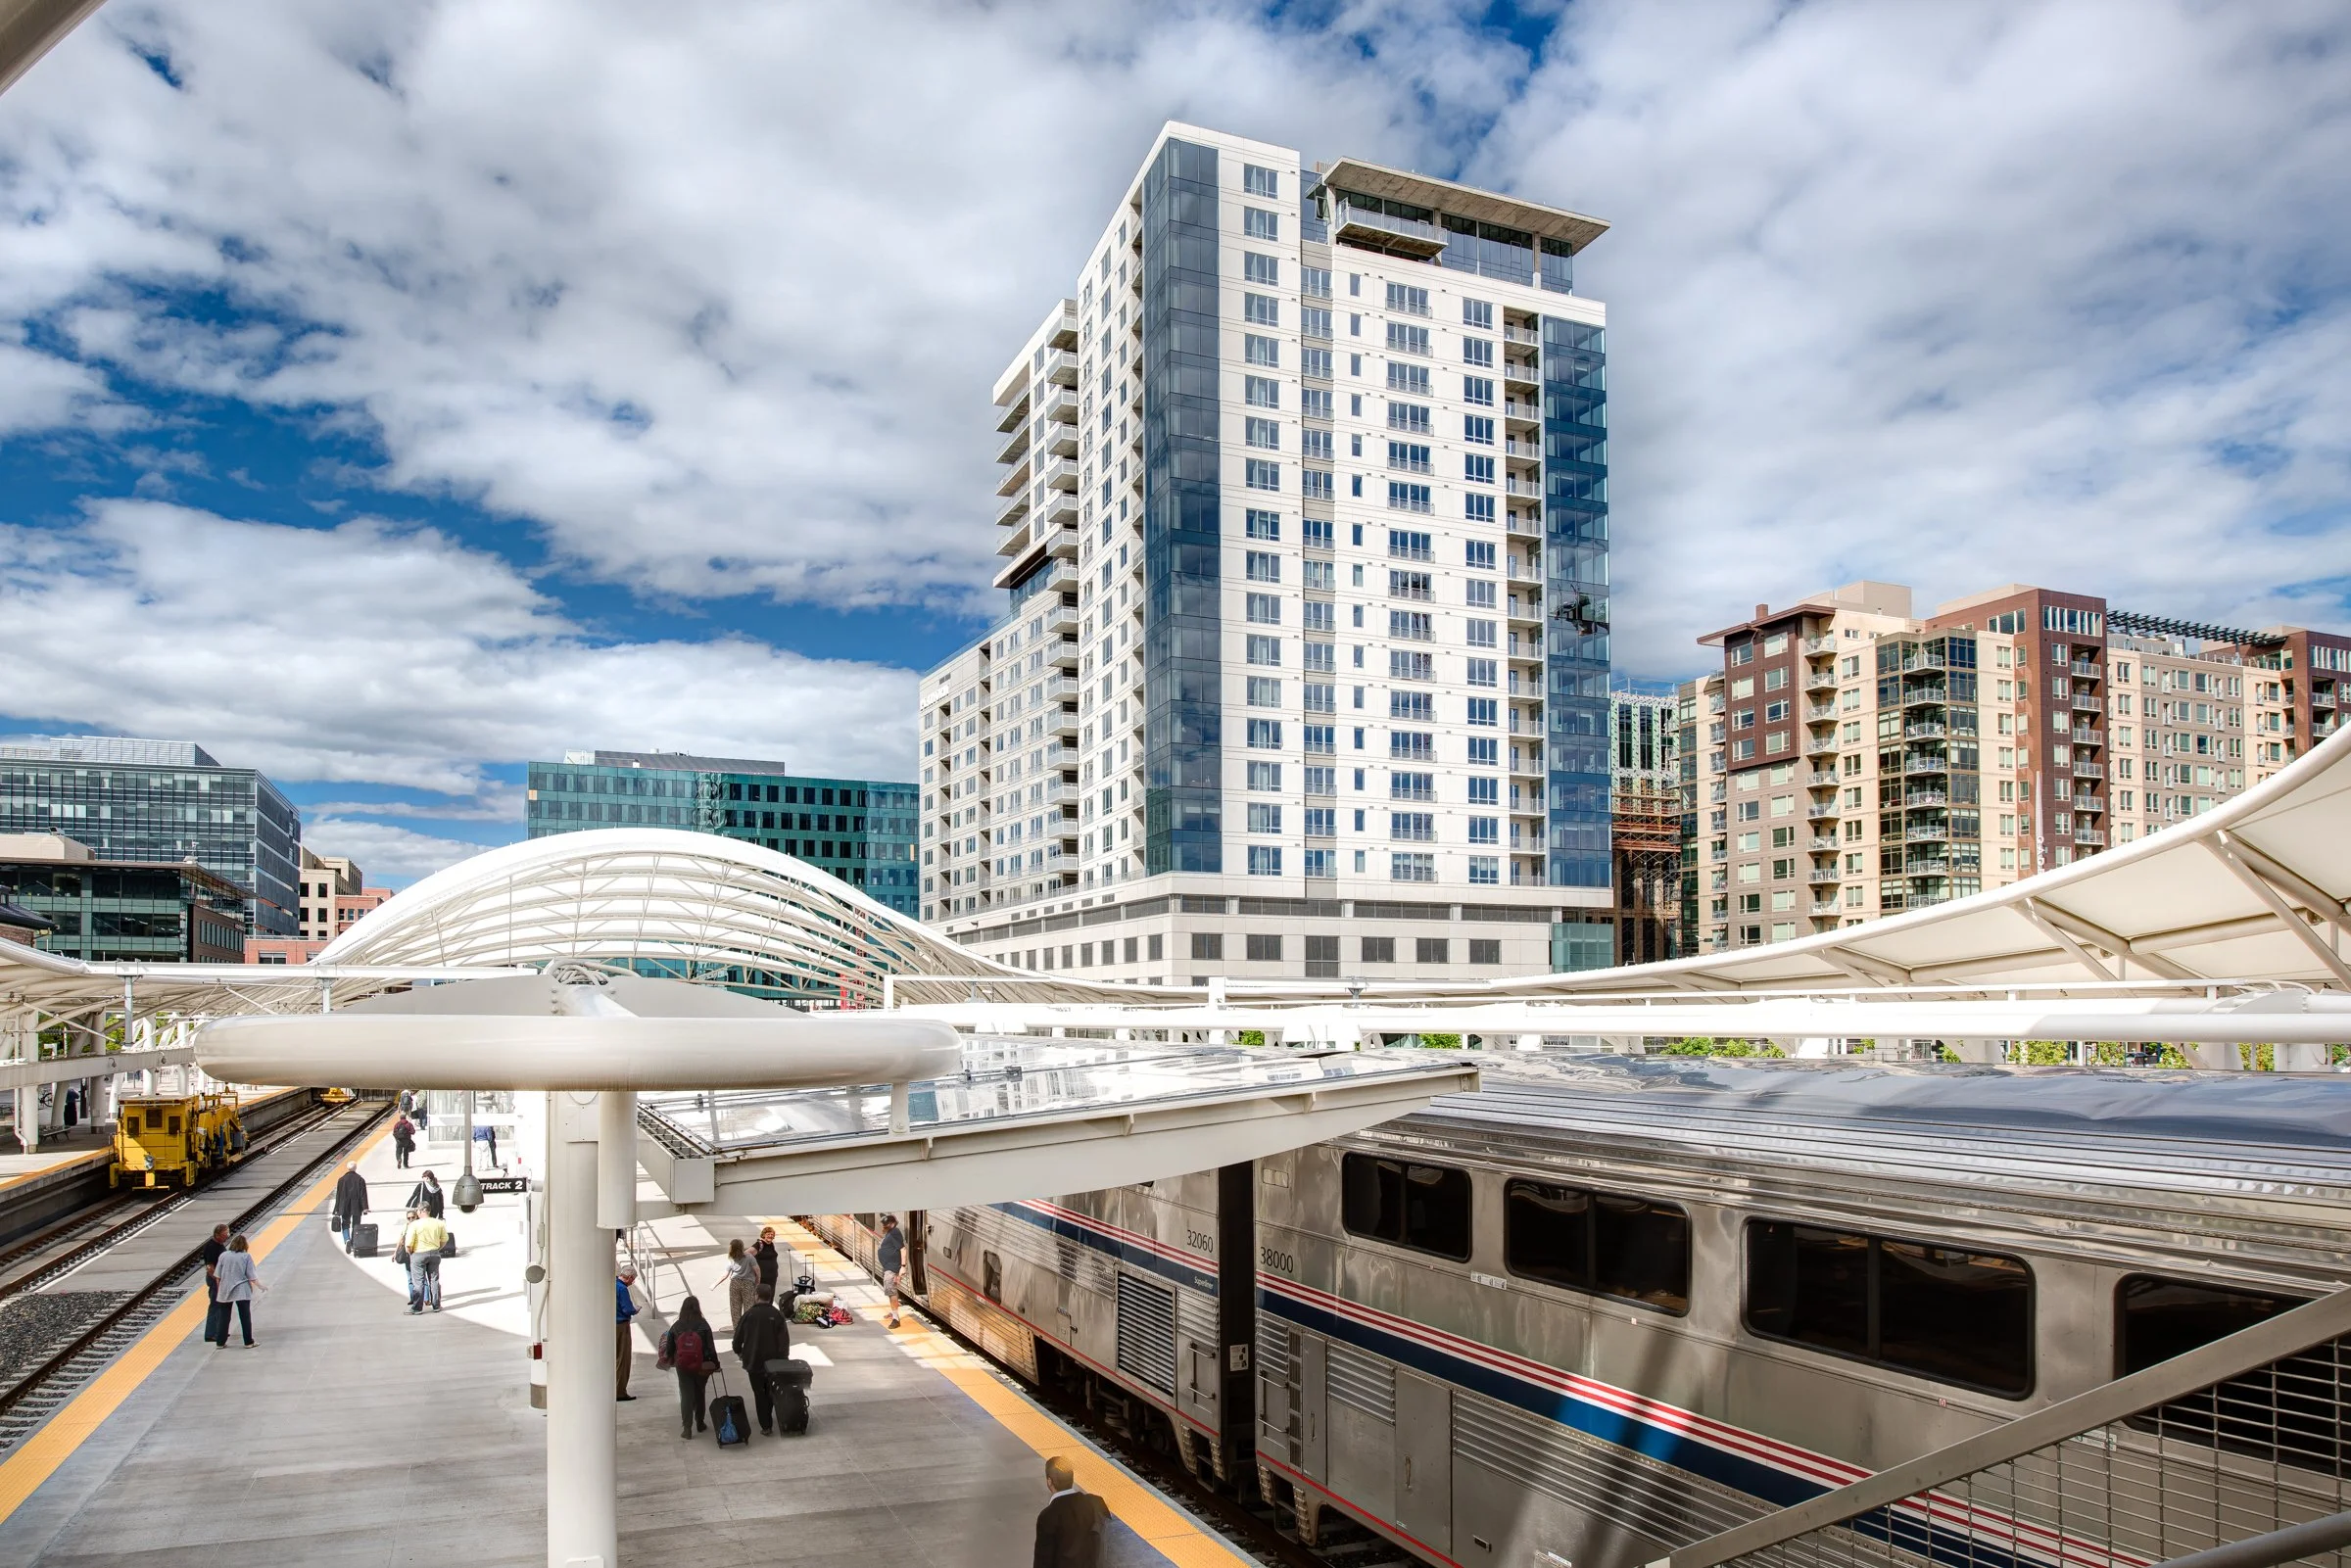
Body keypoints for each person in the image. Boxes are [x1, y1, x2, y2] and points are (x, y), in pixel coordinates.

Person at [732, 1285, 791, 1435]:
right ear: (770, 1297)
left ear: (756, 1295)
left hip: (754, 1362)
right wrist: (783, 1359)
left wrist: (739, 1353)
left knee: (759, 1393)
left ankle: (766, 1425)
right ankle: (769, 1416)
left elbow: (737, 1339)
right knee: (770, 1391)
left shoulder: (749, 1315)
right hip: (774, 1363)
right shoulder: (777, 1315)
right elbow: (784, 1340)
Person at [658, 1295, 717, 1440]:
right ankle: (700, 1423)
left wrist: (671, 1358)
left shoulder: (677, 1326)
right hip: (701, 1365)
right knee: (699, 1392)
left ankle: (687, 1429)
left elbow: (670, 1348)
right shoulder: (704, 1325)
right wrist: (716, 1363)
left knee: (686, 1395)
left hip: (682, 1365)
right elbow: (710, 1347)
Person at [1032, 1456, 1108, 1568]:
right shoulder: (1093, 1502)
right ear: (1072, 1478)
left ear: (1049, 1481)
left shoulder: (1048, 1516)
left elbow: (1043, 1560)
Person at [213, 1233, 261, 1348]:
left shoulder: (223, 1255)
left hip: (225, 1289)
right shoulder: (246, 1256)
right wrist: (260, 1285)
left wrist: (220, 1290)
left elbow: (217, 1275)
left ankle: (220, 1342)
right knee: (245, 1316)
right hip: (242, 1290)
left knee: (224, 1317)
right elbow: (251, 1276)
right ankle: (248, 1342)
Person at [402, 1205, 449, 1312]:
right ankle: (436, 1305)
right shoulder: (438, 1223)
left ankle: (417, 1307)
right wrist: (437, 1248)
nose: (417, 1212)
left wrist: (411, 1253)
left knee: (418, 1282)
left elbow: (408, 1244)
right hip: (434, 1253)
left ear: (422, 1210)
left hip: (418, 1253)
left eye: (418, 1210)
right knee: (434, 1280)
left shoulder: (414, 1224)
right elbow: (445, 1239)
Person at [199, 1223, 232, 1346]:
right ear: (217, 1235)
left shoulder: (219, 1244)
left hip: (219, 1279)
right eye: (224, 1234)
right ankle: (210, 1333)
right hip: (215, 1280)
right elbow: (210, 1267)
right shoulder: (211, 1247)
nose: (227, 1236)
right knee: (215, 1305)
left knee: (220, 1305)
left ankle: (220, 1330)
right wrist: (218, 1281)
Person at [721, 1237, 756, 1336]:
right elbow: (757, 1271)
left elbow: (725, 1274)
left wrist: (714, 1284)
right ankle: (748, 1330)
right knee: (749, 1307)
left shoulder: (731, 1259)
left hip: (735, 1283)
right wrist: (757, 1283)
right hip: (748, 1283)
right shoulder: (749, 1257)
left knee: (735, 1308)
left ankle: (737, 1331)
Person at [877, 1214, 906, 1329]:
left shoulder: (895, 1232)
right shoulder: (890, 1232)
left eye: (886, 1224)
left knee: (891, 1291)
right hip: (888, 1267)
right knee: (891, 1291)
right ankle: (893, 1312)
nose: (884, 1226)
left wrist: (902, 1267)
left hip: (892, 1268)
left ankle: (896, 1319)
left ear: (893, 1224)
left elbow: (903, 1249)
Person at [615, 1266, 641, 1401]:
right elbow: (627, 1309)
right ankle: (619, 1391)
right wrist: (635, 1310)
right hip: (620, 1325)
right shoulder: (622, 1289)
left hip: (611, 1324)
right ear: (630, 1277)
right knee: (623, 1359)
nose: (633, 1282)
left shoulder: (612, 1283)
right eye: (633, 1279)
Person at [331, 1162, 368, 1241]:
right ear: (355, 1168)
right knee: (356, 1225)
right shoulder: (360, 1180)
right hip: (357, 1206)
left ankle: (347, 1239)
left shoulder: (341, 1180)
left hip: (344, 1205)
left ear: (347, 1168)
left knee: (345, 1224)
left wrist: (336, 1209)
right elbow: (363, 1195)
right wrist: (365, 1208)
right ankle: (353, 1242)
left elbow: (338, 1195)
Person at [751, 1226, 781, 1298]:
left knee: (770, 1295)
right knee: (760, 1295)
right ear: (764, 1235)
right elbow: (747, 1254)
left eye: (772, 1234)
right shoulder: (759, 1244)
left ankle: (768, 1308)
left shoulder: (771, 1245)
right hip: (762, 1277)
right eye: (768, 1234)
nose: (770, 1236)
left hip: (772, 1277)